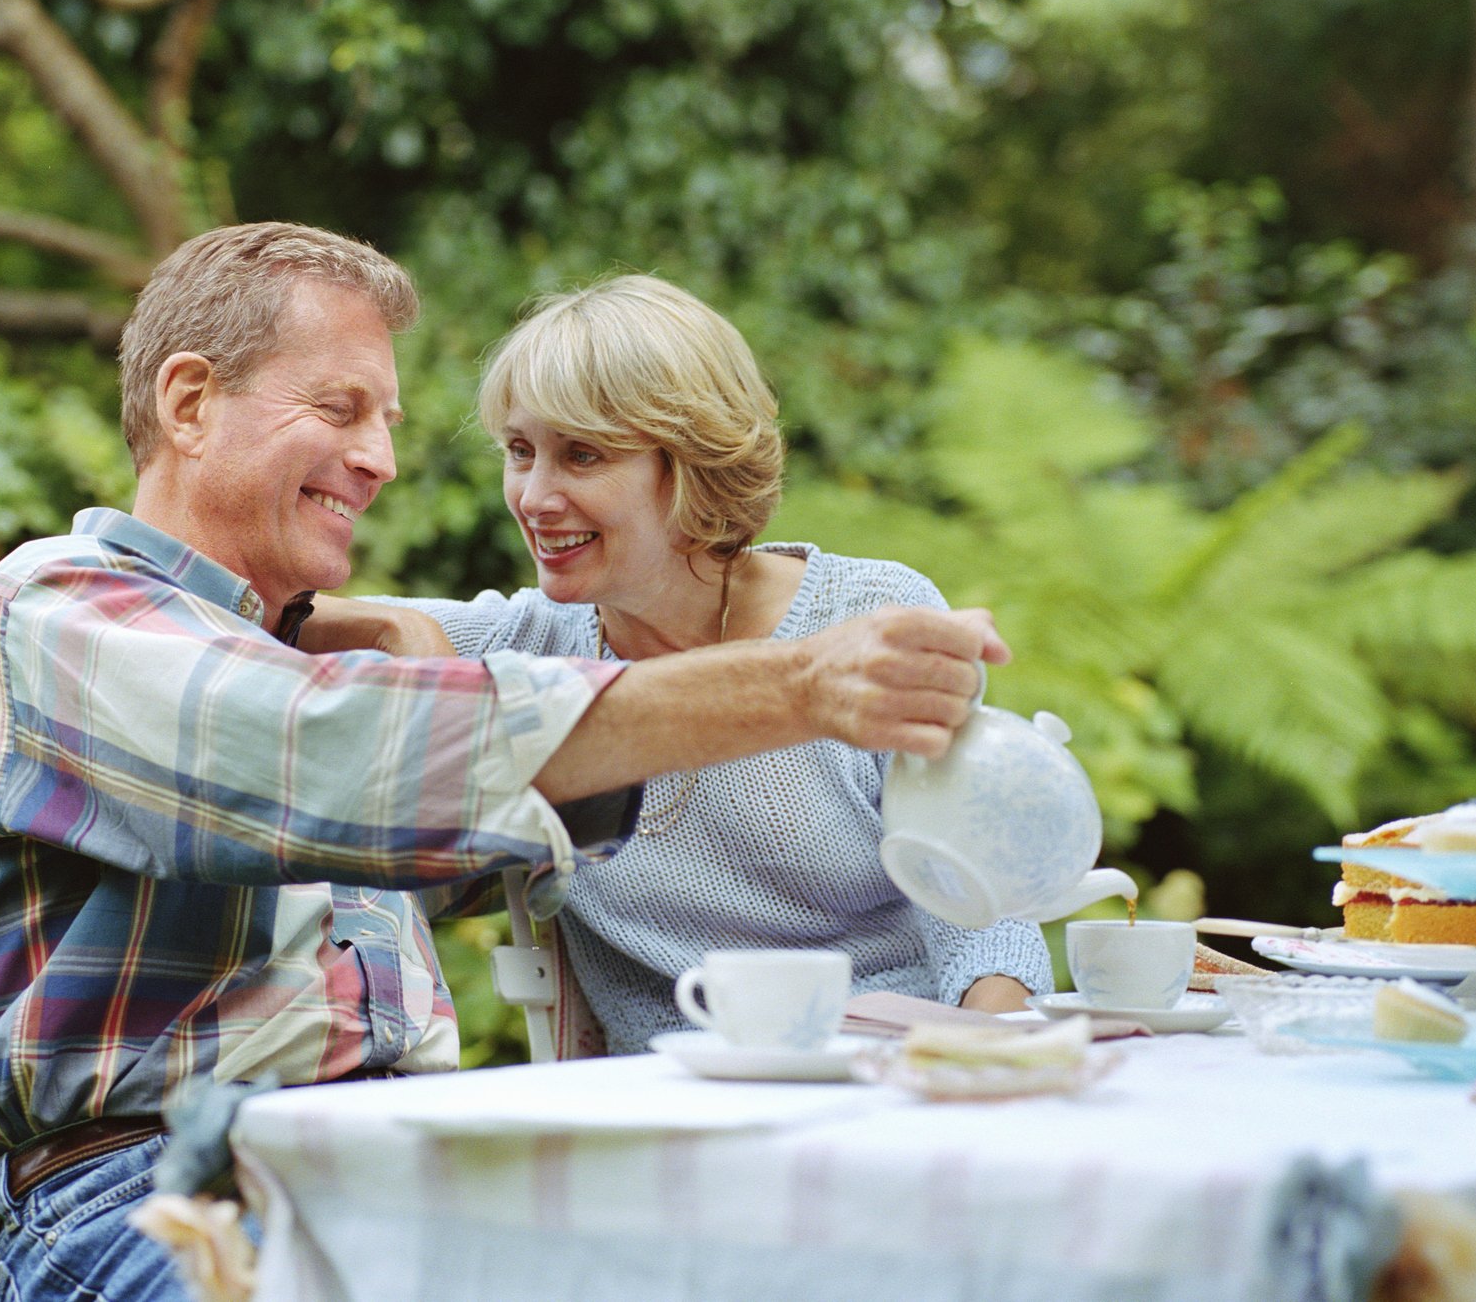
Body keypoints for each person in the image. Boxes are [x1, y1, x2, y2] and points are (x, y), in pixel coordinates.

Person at [0, 223, 1008, 1302]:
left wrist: (403, 662)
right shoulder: (65, 609)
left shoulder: (289, 666)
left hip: (394, 1168)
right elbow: (352, 757)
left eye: (386, 420)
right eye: (340, 410)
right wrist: (801, 687)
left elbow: (434, 785)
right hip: (159, 1192)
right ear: (189, 404)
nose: (381, 460)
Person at [320, 275, 1050, 1055]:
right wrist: (402, 630)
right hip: (669, 1110)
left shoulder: (863, 617)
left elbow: (981, 916)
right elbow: (257, 619)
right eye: (520, 452)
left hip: (893, 1072)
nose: (534, 496)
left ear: (692, 463)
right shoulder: (532, 645)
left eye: (582, 455)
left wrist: (984, 1058)